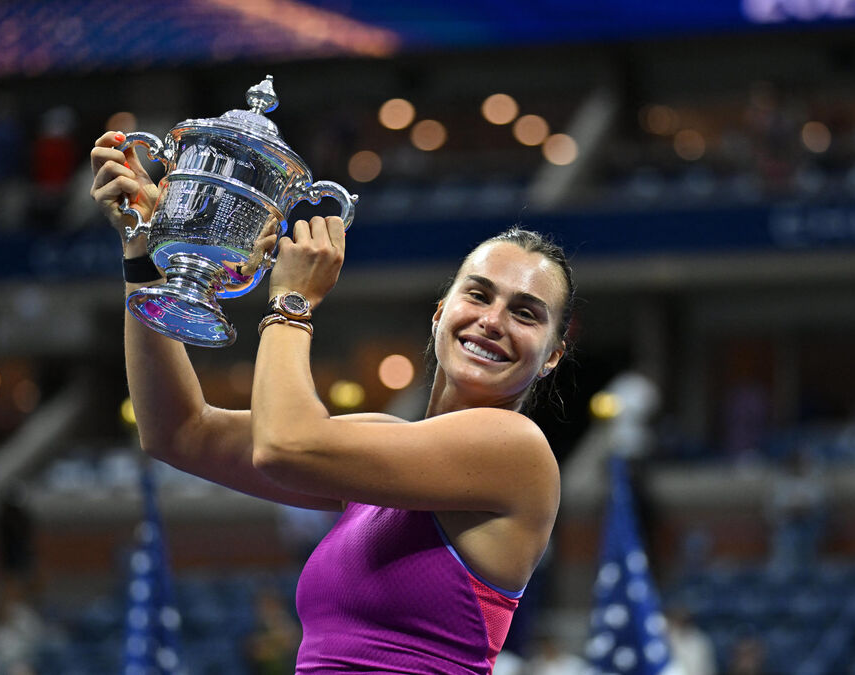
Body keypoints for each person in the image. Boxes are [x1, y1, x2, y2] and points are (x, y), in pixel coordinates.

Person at [89, 130, 572, 674]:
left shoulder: (514, 449)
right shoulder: (384, 448)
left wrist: (291, 302)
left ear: (552, 355)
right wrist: (144, 249)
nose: (493, 320)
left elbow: (284, 448)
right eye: (479, 294)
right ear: (440, 313)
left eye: (526, 313)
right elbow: (177, 432)